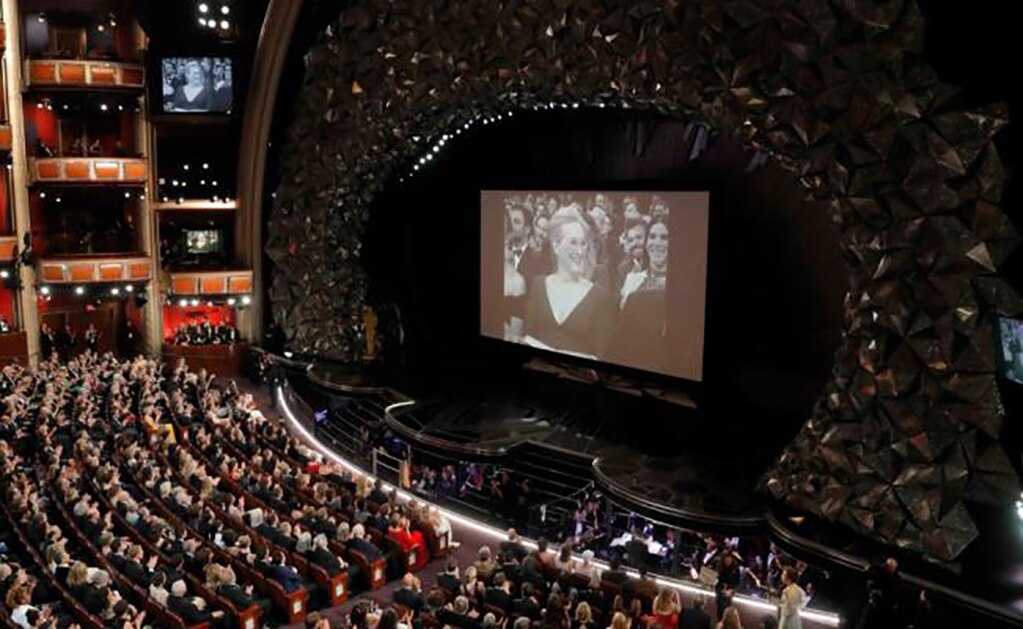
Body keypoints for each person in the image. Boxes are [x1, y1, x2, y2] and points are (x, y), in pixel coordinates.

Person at [522, 209, 612, 359]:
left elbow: (601, 354)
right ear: (556, 246)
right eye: (573, 242)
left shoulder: (598, 296)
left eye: (583, 244)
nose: (580, 251)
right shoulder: (538, 285)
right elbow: (528, 336)